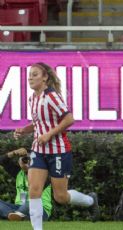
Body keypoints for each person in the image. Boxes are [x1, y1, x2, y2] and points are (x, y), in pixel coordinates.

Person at [14, 62, 99, 230]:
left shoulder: (52, 96)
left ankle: (90, 201)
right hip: (38, 150)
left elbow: (69, 119)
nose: (30, 77)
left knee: (60, 197)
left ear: (45, 77)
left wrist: (49, 134)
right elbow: (39, 122)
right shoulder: (33, 98)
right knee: (34, 190)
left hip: (58, 151)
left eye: (35, 74)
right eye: (30, 74)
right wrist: (24, 130)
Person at [0, 148, 52, 221]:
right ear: (19, 161)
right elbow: (2, 161)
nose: (26, 162)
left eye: (29, 159)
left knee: (29, 204)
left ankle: (15, 216)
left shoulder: (43, 174)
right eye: (24, 159)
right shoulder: (18, 173)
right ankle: (12, 215)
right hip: (19, 207)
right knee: (22, 207)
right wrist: (14, 152)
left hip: (40, 209)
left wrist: (30, 170)